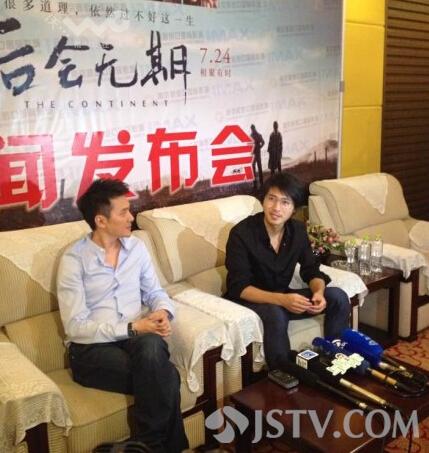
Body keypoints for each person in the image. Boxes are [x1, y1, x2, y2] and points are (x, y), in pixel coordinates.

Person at [57, 179, 188, 453]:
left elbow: (155, 291)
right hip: (90, 350)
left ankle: (147, 447)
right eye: (124, 212)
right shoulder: (73, 260)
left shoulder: (136, 248)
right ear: (101, 221)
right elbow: (75, 326)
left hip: (135, 339)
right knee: (167, 376)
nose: (131, 217)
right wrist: (132, 327)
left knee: (152, 347)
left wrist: (162, 311)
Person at [225, 173, 350, 371]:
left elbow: (311, 270)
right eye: (271, 199)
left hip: (282, 297)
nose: (276, 208)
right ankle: (283, 372)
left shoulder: (297, 231)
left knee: (337, 296)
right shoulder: (241, 233)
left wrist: (318, 293)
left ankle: (335, 356)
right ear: (263, 200)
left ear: (294, 209)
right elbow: (238, 287)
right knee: (276, 313)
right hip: (248, 301)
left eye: (285, 202)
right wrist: (283, 300)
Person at [250, 124, 265, 189]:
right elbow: (250, 144)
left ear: (254, 128)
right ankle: (255, 182)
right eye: (251, 129)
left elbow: (263, 142)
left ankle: (260, 182)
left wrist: (259, 147)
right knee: (254, 166)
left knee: (259, 167)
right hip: (254, 154)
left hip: (257, 153)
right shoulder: (251, 135)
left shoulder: (258, 135)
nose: (252, 130)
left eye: (252, 129)